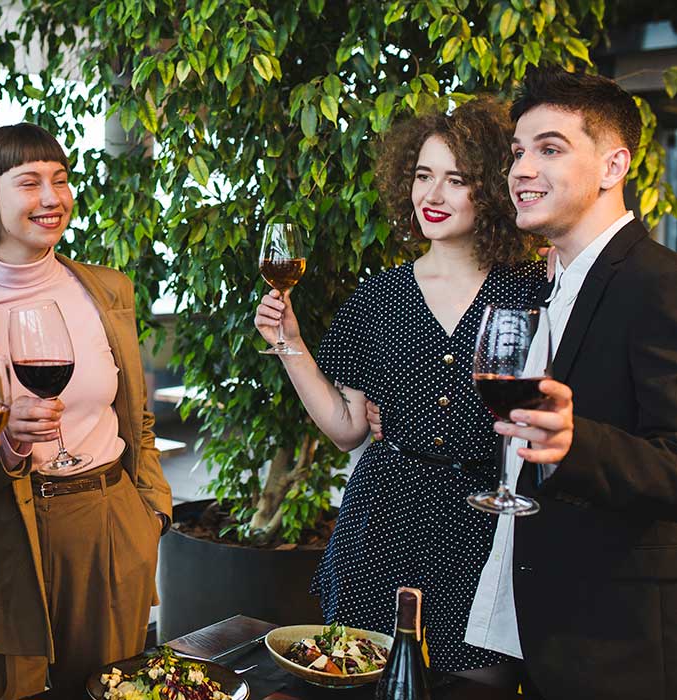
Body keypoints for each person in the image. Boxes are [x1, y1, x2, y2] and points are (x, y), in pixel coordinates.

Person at [254, 98, 572, 676]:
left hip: (485, 529)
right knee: (363, 676)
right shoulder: (378, 297)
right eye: (424, 176)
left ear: (492, 191)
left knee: (478, 683)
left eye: (457, 180)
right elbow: (348, 429)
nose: (433, 195)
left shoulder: (537, 287)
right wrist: (290, 343)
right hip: (382, 524)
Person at [0, 123, 173, 699]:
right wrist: (10, 439)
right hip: (0, 536)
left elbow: (138, 415)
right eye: (29, 183)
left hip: (107, 523)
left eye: (60, 180)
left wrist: (151, 513)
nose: (53, 198)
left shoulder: (109, 291)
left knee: (109, 689)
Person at [464, 65, 677, 699]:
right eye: (518, 152)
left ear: (613, 166)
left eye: (550, 149)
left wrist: (574, 443)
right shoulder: (546, 285)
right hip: (535, 617)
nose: (522, 170)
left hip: (617, 639)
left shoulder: (659, 283)